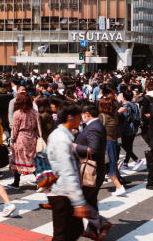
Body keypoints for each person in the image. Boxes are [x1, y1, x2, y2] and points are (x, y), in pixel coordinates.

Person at [46, 102, 93, 241]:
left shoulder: (61, 135)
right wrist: (78, 202)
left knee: (73, 230)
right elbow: (67, 172)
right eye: (79, 117)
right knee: (63, 234)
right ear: (71, 117)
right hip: (61, 192)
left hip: (62, 191)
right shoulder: (61, 138)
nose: (81, 119)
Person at [74, 101, 111, 241]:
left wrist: (76, 146)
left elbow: (93, 150)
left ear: (87, 114)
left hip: (91, 169)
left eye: (82, 115)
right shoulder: (96, 125)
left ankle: (101, 223)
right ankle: (91, 230)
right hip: (96, 168)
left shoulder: (94, 127)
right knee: (91, 199)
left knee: (81, 199)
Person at [10, 89, 40, 186]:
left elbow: (15, 128)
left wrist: (12, 139)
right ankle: (40, 181)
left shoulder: (18, 113)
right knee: (31, 160)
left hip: (21, 137)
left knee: (17, 159)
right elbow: (37, 126)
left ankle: (16, 182)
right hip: (32, 137)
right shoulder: (35, 112)